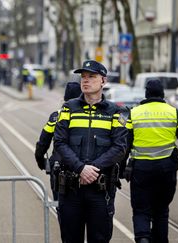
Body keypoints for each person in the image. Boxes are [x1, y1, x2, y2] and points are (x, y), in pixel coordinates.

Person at [123, 79, 178, 243]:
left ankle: (143, 239)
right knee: (161, 211)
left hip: (141, 171)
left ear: (146, 93)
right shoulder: (173, 113)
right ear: (162, 94)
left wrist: (119, 170)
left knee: (141, 210)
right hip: (166, 171)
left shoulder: (135, 113)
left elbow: (125, 144)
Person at [53, 60, 128, 243]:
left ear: (103, 80)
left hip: (100, 192)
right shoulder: (68, 108)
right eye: (83, 77)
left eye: (91, 77)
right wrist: (80, 168)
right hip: (71, 191)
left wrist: (92, 169)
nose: (85, 81)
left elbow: (120, 148)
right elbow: (59, 143)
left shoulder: (116, 112)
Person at [34, 81, 81, 200]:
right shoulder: (89, 115)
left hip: (59, 167)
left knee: (61, 206)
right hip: (82, 168)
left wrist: (41, 161)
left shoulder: (56, 116)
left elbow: (43, 141)